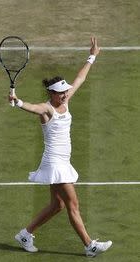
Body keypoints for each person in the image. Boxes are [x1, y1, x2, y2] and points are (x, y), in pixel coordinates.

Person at [9, 37, 112, 257]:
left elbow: (80, 79)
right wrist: (17, 102)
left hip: (62, 162)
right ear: (52, 94)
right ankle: (89, 246)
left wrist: (92, 56)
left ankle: (25, 234)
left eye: (66, 91)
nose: (65, 94)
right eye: (61, 92)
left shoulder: (65, 101)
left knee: (58, 206)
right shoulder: (47, 109)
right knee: (73, 204)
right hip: (55, 163)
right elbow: (32, 108)